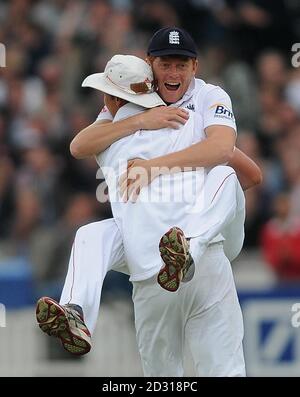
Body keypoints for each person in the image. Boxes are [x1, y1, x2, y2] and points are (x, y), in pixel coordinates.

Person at [36, 28, 261, 375]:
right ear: (150, 68)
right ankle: (186, 249)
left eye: (180, 65)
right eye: (165, 65)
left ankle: (77, 309)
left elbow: (77, 146)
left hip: (148, 264)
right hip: (203, 254)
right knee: (224, 176)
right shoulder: (188, 124)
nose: (173, 72)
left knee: (90, 236)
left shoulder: (111, 131)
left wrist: (153, 166)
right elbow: (243, 167)